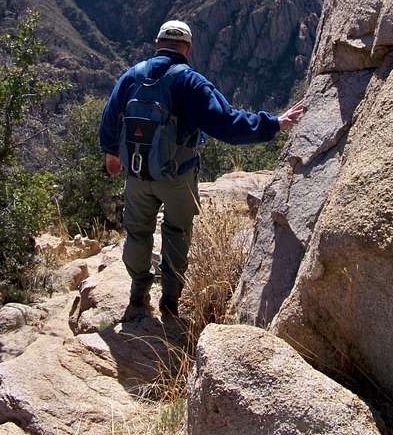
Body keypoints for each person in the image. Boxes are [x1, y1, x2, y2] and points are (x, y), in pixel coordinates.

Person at [99, 20, 303, 317]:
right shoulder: (190, 82)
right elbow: (227, 124)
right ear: (188, 49)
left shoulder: (132, 76)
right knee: (177, 232)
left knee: (137, 234)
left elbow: (109, 118)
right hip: (177, 177)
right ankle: (169, 302)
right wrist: (272, 124)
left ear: (157, 43)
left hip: (137, 173)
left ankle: (137, 296)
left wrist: (112, 155)